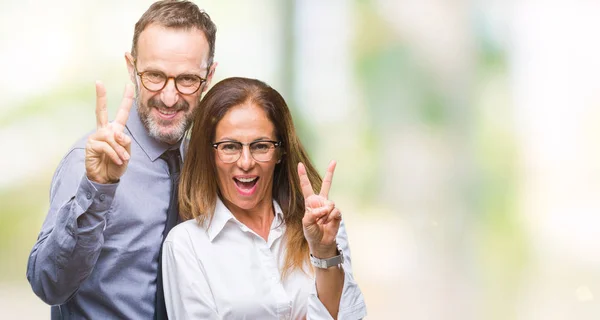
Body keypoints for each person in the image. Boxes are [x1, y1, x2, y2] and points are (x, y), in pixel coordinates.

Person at [26, 1, 217, 318]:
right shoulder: (86, 164)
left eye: (186, 79)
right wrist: (98, 189)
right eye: (154, 75)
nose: (169, 98)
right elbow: (49, 286)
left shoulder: (202, 164)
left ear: (208, 76)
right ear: (132, 68)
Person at [162, 77, 367, 319]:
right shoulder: (186, 245)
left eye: (260, 146)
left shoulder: (323, 226)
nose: (246, 162)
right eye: (229, 146)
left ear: (280, 152)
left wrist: (324, 252)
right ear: (210, 155)